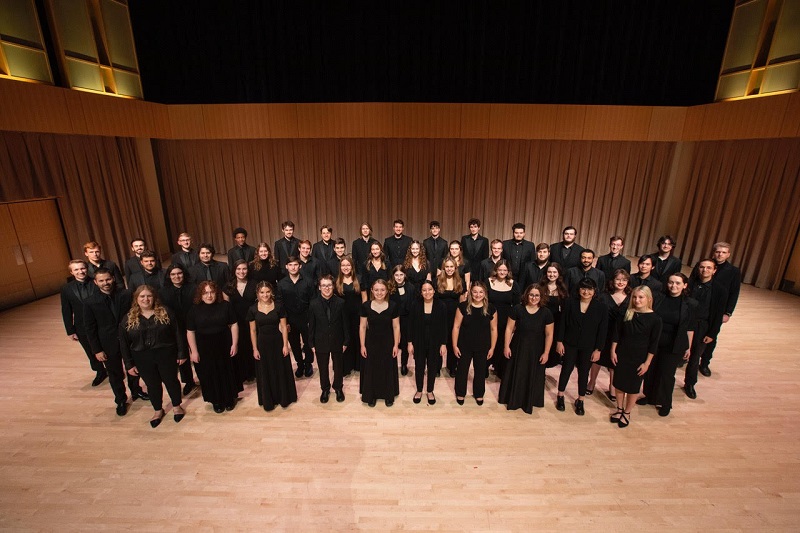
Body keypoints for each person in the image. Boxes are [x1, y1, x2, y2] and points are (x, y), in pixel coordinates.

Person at [83, 268, 148, 416]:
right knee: (115, 374)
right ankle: (120, 399)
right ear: (95, 282)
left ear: (113, 278)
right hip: (108, 344)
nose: (105, 283)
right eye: (101, 280)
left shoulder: (125, 295)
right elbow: (90, 328)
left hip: (129, 340)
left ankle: (136, 391)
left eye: (108, 279)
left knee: (133, 368)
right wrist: (96, 350)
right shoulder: (90, 302)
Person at [119, 286, 186, 427]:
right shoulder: (129, 317)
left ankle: (176, 406)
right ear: (136, 299)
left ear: (154, 297)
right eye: (142, 297)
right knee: (152, 385)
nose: (146, 299)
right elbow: (124, 344)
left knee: (171, 381)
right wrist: (128, 364)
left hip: (166, 354)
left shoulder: (166, 312)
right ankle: (157, 410)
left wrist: (181, 352)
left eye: (149, 296)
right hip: (142, 357)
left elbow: (178, 333)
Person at [640, 273, 695, 417]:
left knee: (667, 374)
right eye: (671, 282)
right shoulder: (658, 298)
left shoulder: (690, 304)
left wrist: (688, 346)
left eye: (677, 283)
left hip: (674, 344)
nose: (673, 286)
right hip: (655, 342)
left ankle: (665, 402)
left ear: (685, 285)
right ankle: (649, 396)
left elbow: (690, 327)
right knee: (651, 370)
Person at [609, 286, 662, 428]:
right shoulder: (626, 313)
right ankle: (619, 408)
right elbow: (617, 334)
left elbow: (653, 344)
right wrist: (613, 351)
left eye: (641, 297)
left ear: (649, 299)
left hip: (639, 357)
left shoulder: (655, 319)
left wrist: (647, 363)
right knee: (619, 383)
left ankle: (627, 412)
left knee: (633, 386)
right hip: (622, 354)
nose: (637, 300)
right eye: (634, 297)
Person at [555, 278, 608, 416]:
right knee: (566, 369)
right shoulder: (570, 303)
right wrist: (559, 341)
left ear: (594, 291)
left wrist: (598, 349)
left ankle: (581, 399)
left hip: (588, 346)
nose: (586, 291)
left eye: (589, 289)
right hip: (569, 343)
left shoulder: (601, 307)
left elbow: (603, 330)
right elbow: (562, 324)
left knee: (584, 372)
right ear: (579, 290)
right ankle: (560, 395)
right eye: (583, 288)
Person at [186, 281, 241, 413]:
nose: (209, 296)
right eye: (205, 293)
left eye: (212, 292)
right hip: (204, 347)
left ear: (216, 293)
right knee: (209, 374)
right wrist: (193, 351)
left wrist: (234, 343)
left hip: (224, 344)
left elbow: (234, 324)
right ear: (201, 294)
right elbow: (190, 331)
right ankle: (215, 400)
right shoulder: (194, 309)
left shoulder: (225, 305)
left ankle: (229, 398)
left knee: (226, 372)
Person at [498, 284, 554, 413]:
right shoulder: (518, 309)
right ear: (526, 295)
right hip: (518, 346)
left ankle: (530, 400)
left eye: (537, 295)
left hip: (536, 350)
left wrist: (546, 352)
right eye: (531, 295)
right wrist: (506, 346)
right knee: (516, 372)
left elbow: (549, 334)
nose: (534, 298)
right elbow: (509, 329)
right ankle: (513, 399)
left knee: (532, 374)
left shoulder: (546, 313)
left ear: (541, 297)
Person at [247, 282, 297, 411]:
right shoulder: (252, 309)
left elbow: (284, 328)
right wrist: (254, 349)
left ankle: (283, 398)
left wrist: (286, 345)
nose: (265, 295)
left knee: (280, 369)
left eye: (268, 292)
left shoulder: (279, 306)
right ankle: (269, 400)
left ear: (272, 292)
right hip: (262, 344)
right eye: (262, 292)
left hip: (278, 342)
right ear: (258, 294)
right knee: (265, 371)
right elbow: (252, 331)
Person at [683, 259, 727, 399]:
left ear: (714, 270)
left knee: (695, 356)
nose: (704, 270)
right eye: (702, 267)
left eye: (708, 268)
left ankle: (689, 383)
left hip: (703, 326)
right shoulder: (689, 284)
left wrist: (712, 333)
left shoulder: (720, 289)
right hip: (685, 323)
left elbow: (718, 313)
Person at [588, 269, 631, 401]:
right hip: (603, 332)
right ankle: (592, 382)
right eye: (618, 279)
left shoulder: (631, 298)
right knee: (597, 359)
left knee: (614, 361)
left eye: (624, 280)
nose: (621, 282)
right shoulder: (603, 296)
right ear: (612, 281)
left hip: (620, 335)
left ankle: (612, 386)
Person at [452, 281, 498, 405]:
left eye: (481, 292)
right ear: (471, 292)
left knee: (480, 370)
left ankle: (479, 394)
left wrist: (492, 347)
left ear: (485, 293)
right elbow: (456, 326)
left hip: (483, 345)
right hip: (464, 344)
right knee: (462, 370)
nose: (478, 295)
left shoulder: (491, 308)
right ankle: (460, 393)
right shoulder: (462, 306)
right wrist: (455, 345)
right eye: (475, 292)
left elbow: (494, 329)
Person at [60, 259, 105, 386]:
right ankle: (100, 371)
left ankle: (113, 370)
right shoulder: (66, 289)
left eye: (82, 268)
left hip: (100, 322)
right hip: (81, 325)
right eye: (76, 270)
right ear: (71, 272)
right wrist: (70, 330)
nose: (80, 271)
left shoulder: (96, 282)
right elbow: (66, 310)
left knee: (105, 346)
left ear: (87, 268)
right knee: (90, 350)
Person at [701, 242, 741, 376]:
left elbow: (734, 293)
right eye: (718, 252)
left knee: (712, 336)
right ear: (713, 252)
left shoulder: (733, 271)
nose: (720, 254)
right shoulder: (705, 265)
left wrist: (728, 312)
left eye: (724, 252)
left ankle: (705, 363)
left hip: (718, 308)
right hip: (702, 305)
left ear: (728, 254)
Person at [359, 279, 401, 407]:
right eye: (376, 290)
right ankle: (372, 395)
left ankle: (388, 395)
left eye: (382, 290)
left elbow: (396, 327)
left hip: (387, 342)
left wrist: (395, 345)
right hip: (371, 342)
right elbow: (362, 327)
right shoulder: (365, 306)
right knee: (372, 368)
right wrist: (362, 345)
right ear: (372, 291)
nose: (379, 292)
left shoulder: (393, 306)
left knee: (387, 368)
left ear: (387, 291)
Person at [308, 275, 349, 403]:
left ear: (333, 286)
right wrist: (311, 343)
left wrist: (346, 341)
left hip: (337, 340)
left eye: (329, 285)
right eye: (324, 285)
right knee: (323, 367)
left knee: (338, 366)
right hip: (320, 341)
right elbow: (311, 325)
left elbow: (345, 324)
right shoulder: (313, 304)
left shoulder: (341, 303)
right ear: (319, 287)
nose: (327, 288)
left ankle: (338, 388)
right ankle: (325, 389)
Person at [406, 281, 447, 405]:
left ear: (434, 290)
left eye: (430, 289)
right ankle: (419, 390)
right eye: (424, 290)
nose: (427, 292)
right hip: (419, 341)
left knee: (432, 367)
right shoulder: (415, 304)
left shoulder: (441, 305)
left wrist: (444, 344)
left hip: (435, 342)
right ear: (421, 292)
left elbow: (445, 327)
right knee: (419, 366)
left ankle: (430, 391)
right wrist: (409, 342)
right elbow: (410, 325)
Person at [160, 264, 198, 395]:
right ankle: (188, 381)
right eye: (173, 274)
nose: (177, 276)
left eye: (179, 273)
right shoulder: (163, 292)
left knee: (197, 352)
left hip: (194, 326)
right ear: (169, 276)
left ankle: (203, 377)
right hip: (175, 328)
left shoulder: (193, 288)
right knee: (182, 355)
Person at [276, 256, 316, 378]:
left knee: (308, 342)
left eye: (295, 265)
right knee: (294, 343)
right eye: (290, 265)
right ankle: (300, 364)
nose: (293, 267)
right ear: (286, 267)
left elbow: (313, 301)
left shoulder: (308, 281)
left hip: (306, 317)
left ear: (300, 266)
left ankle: (308, 363)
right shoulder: (282, 284)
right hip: (290, 319)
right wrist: (284, 322)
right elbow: (280, 303)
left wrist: (312, 319)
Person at [223, 260, 258, 384]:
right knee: (240, 347)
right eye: (238, 269)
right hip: (235, 323)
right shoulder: (228, 286)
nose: (241, 272)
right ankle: (242, 373)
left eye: (244, 269)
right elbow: (225, 306)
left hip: (252, 321)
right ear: (234, 271)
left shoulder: (254, 284)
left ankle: (254, 372)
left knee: (252, 346)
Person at [486, 260, 521, 380]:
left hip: (506, 318)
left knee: (502, 342)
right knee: (488, 342)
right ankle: (485, 366)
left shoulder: (513, 284)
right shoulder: (488, 281)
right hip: (489, 316)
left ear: (508, 271)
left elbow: (517, 304)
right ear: (496, 270)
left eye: (505, 270)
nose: (502, 272)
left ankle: (500, 368)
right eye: (500, 269)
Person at [434, 257, 466, 377]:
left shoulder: (460, 281)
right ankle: (436, 367)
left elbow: (462, 301)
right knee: (438, 341)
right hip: (439, 316)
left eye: (451, 267)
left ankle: (452, 366)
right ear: (443, 268)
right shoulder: (436, 280)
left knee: (453, 341)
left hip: (454, 316)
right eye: (447, 267)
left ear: (455, 268)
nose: (449, 269)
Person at [335, 256, 362, 375]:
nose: (346, 268)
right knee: (346, 339)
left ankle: (358, 364)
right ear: (340, 267)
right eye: (343, 265)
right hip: (342, 316)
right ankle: (347, 366)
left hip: (357, 315)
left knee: (357, 338)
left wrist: (364, 315)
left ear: (352, 267)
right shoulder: (337, 282)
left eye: (348, 265)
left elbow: (365, 298)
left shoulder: (359, 279)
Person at [538, 263, 568, 368]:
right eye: (549, 272)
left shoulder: (563, 289)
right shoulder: (540, 287)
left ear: (559, 273)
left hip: (556, 323)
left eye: (554, 272)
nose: (552, 274)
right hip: (540, 322)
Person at [388, 265, 416, 375]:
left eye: (401, 275)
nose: (399, 277)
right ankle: (391, 365)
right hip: (392, 319)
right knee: (391, 342)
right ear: (393, 276)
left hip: (406, 319)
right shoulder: (389, 287)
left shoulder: (411, 288)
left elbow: (413, 305)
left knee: (404, 343)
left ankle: (404, 364)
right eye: (396, 275)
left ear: (405, 275)